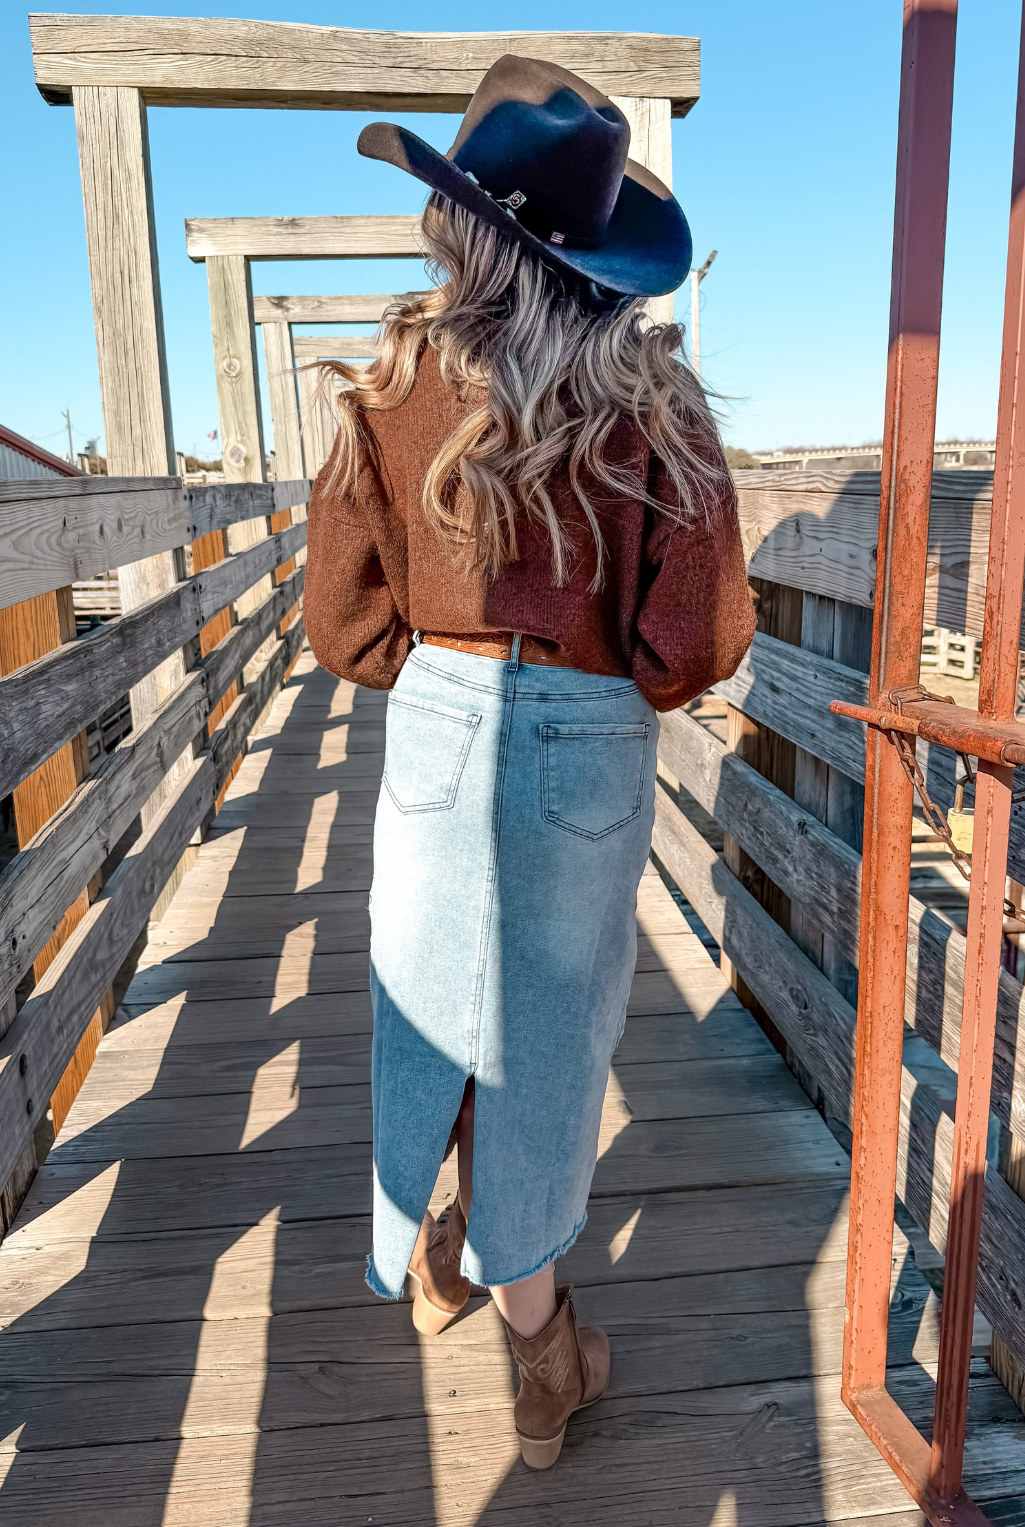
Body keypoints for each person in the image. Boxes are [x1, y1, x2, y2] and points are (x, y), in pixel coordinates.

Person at [304, 53, 755, 1471]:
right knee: (550, 1044)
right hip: (586, 731)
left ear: (456, 222)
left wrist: (440, 676)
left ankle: (446, 1261)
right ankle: (544, 1353)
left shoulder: (391, 381)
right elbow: (702, 634)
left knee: (431, 999)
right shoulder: (658, 402)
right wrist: (602, 684)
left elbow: (338, 618)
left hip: (438, 712)